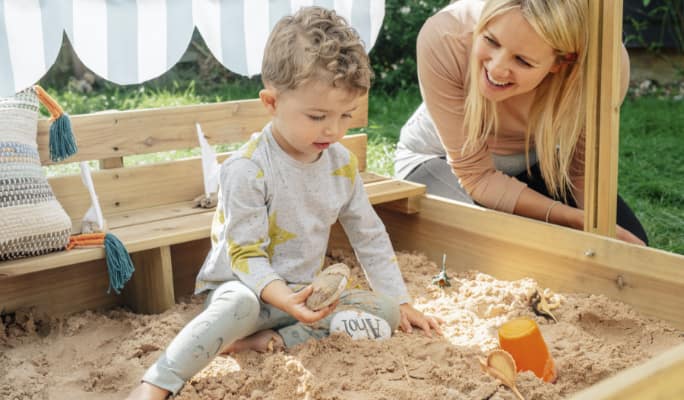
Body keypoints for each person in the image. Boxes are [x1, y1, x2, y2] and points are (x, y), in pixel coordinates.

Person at [127, 6, 442, 400]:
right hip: (242, 290)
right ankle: (157, 381)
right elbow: (244, 254)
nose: (334, 129)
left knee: (385, 313)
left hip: (303, 296)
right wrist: (283, 297)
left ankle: (255, 342)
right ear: (271, 102)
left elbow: (369, 234)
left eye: (346, 114)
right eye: (317, 115)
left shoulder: (340, 163)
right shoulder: (248, 169)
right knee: (236, 307)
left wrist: (400, 299)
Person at [394, 0, 648, 245]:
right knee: (503, 248)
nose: (496, 69)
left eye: (522, 61)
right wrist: (570, 219)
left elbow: (580, 172)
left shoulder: (603, 67)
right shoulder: (446, 34)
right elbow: (476, 176)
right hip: (439, 162)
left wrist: (597, 229)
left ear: (562, 62)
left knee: (631, 241)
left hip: (529, 163)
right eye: (490, 40)